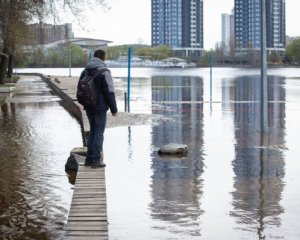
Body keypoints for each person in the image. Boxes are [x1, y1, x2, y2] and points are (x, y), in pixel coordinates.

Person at [79, 49, 118, 168]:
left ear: (94, 57)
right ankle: (96, 160)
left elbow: (79, 89)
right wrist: (114, 109)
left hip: (88, 105)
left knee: (92, 132)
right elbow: (109, 92)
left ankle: (89, 159)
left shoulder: (85, 71)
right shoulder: (104, 71)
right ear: (103, 58)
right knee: (99, 133)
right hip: (100, 107)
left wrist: (84, 103)